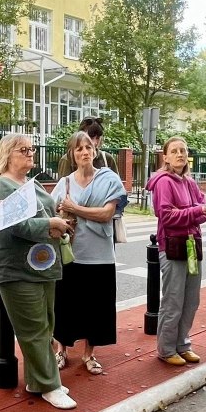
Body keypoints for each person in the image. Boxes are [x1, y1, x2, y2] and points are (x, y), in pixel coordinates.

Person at [0, 134, 77, 409]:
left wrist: (58, 219)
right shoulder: (2, 185)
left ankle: (37, 380)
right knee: (34, 329)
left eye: (32, 149)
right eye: (23, 150)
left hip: (42, 265)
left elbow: (43, 214)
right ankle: (50, 385)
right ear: (8, 154)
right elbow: (15, 225)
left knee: (46, 324)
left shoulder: (32, 182)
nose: (30, 153)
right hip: (17, 269)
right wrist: (50, 224)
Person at [51, 131, 127, 374]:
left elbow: (106, 214)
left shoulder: (109, 179)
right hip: (71, 254)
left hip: (100, 254)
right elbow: (52, 212)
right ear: (72, 154)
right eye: (79, 148)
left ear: (94, 151)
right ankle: (61, 350)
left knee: (96, 307)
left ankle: (89, 354)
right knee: (65, 305)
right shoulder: (64, 183)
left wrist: (74, 208)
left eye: (88, 147)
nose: (85, 152)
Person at [145, 137, 206, 366]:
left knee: (191, 299)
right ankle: (166, 349)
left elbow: (203, 211)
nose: (180, 154)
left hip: (192, 245)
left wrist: (194, 211)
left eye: (183, 151)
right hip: (172, 246)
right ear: (165, 157)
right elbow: (166, 216)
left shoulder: (189, 182)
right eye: (175, 151)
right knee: (173, 300)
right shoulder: (163, 182)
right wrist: (196, 211)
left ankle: (183, 344)